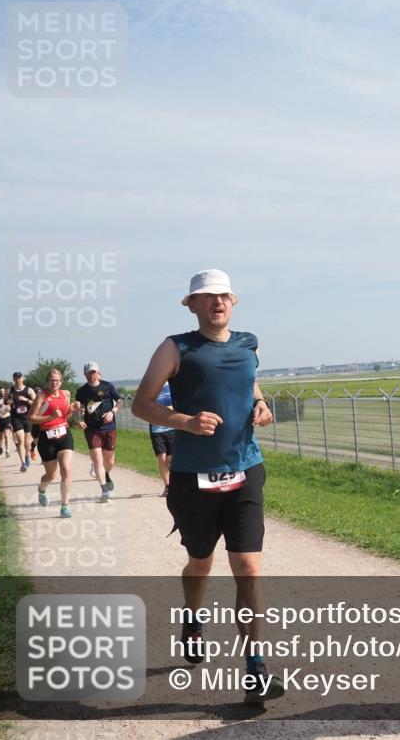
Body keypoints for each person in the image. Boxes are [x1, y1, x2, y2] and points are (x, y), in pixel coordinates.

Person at [132, 269, 283, 704]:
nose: (216, 302)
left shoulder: (248, 343)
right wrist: (185, 422)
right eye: (206, 296)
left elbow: (248, 379)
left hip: (246, 469)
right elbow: (142, 403)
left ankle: (256, 667)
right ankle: (193, 618)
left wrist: (260, 403)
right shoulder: (175, 347)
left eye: (223, 295)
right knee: (200, 561)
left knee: (248, 568)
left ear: (233, 301)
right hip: (192, 477)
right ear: (191, 305)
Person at [29, 368, 82, 518]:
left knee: (66, 469)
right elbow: (31, 418)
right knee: (51, 475)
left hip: (64, 435)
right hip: (47, 438)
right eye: (52, 380)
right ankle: (42, 489)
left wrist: (72, 409)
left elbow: (65, 416)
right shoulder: (41, 396)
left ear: (61, 382)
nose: (54, 383)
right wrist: (49, 417)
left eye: (57, 381)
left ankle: (65, 505)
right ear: (47, 381)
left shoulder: (66, 394)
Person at [75, 362, 123, 502]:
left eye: (94, 372)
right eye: (89, 373)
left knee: (109, 461)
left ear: (98, 372)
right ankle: (104, 490)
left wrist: (113, 412)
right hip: (92, 429)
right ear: (85, 375)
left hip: (109, 428)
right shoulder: (82, 391)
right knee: (97, 458)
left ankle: (106, 474)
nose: (92, 375)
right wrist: (79, 420)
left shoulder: (107, 386)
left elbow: (119, 401)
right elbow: (77, 407)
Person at [149, 382, 176, 497]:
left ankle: (175, 483)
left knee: (170, 460)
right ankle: (167, 486)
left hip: (171, 428)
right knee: (162, 458)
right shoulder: (151, 387)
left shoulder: (172, 386)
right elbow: (146, 406)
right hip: (156, 430)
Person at [9, 372, 37, 472]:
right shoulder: (11, 390)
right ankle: (23, 463)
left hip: (27, 418)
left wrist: (26, 400)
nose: (18, 380)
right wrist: (8, 403)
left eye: (19, 378)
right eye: (16, 378)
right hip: (16, 418)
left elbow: (36, 403)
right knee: (20, 440)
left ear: (23, 379)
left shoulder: (29, 390)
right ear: (13, 379)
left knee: (27, 440)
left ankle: (27, 455)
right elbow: (5, 402)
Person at [0, 388, 11, 458]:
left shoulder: (7, 400)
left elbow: (9, 409)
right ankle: (1, 446)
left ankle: (7, 451)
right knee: (1, 436)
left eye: (3, 391)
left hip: (7, 418)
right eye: (1, 391)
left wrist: (8, 407)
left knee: (7, 435)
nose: (2, 393)